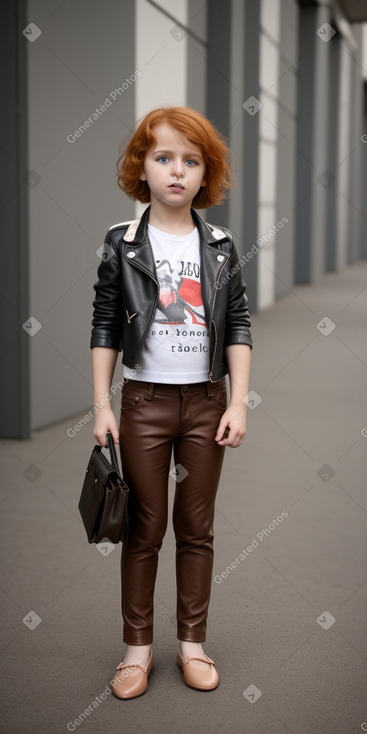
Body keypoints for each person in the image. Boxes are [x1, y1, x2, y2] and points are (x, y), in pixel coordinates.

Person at [90, 106, 253, 699]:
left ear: (205, 172)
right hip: (144, 404)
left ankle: (191, 644)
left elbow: (236, 322)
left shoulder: (221, 244)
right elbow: (106, 322)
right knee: (144, 526)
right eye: (164, 158)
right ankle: (137, 651)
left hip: (207, 403)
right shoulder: (123, 241)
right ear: (143, 166)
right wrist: (102, 405)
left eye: (191, 160)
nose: (177, 171)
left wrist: (238, 403)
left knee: (196, 526)